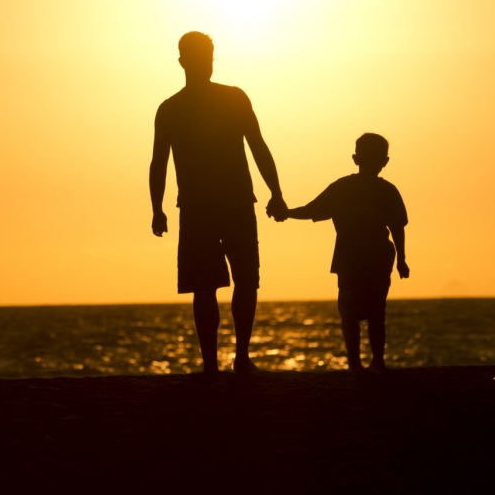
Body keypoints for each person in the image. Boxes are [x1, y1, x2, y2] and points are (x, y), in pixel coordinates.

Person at [149, 32, 286, 374]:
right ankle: (215, 363)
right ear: (182, 62)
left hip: (231, 203)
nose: (205, 65)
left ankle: (238, 358)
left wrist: (276, 191)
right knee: (207, 286)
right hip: (202, 208)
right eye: (200, 59)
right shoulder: (171, 109)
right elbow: (158, 163)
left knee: (242, 281)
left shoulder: (229, 99)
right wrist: (156, 208)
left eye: (208, 59)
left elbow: (258, 146)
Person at [276, 133, 410, 371]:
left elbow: (311, 210)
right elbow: (397, 228)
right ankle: (370, 362)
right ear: (384, 161)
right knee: (371, 312)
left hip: (361, 257)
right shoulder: (380, 190)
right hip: (364, 257)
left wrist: (286, 213)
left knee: (355, 312)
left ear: (356, 158)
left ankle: (362, 362)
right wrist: (401, 259)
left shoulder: (351, 188)